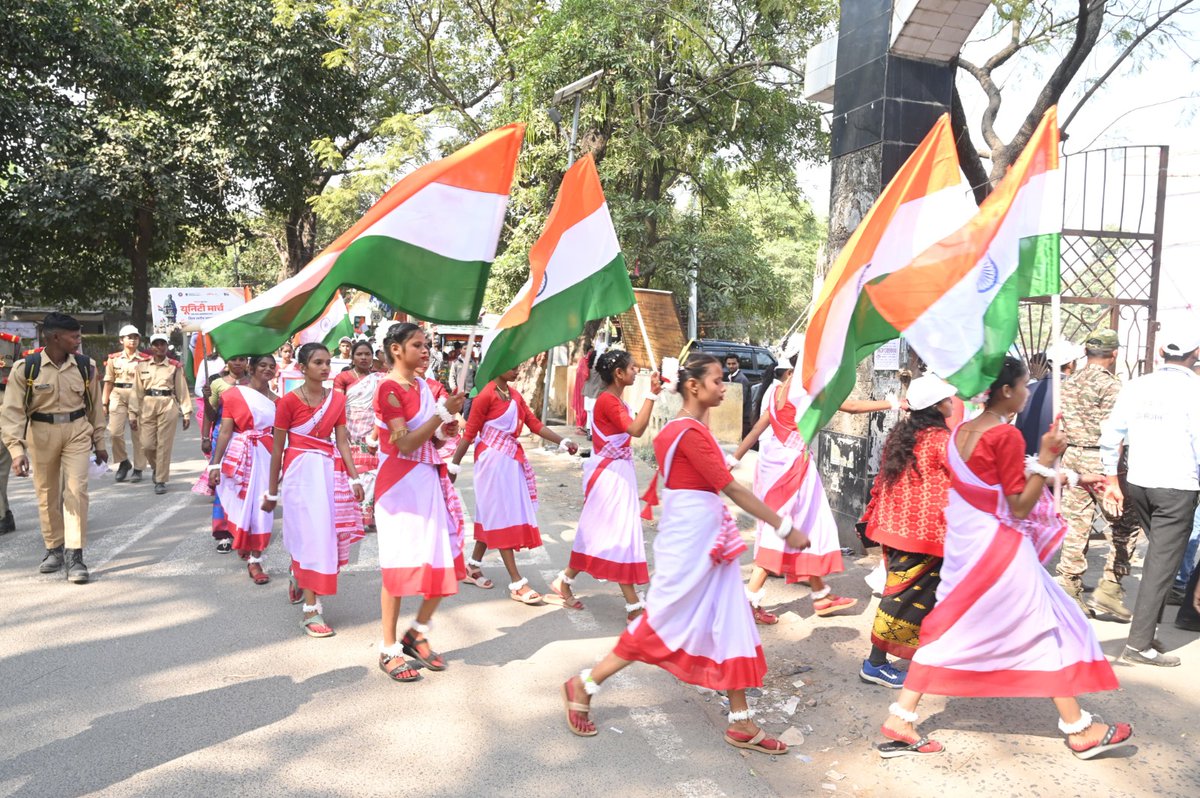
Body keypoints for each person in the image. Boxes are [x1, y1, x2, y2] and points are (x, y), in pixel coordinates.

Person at [559, 353, 811, 754]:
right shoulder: (689, 434)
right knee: (659, 624)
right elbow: (732, 488)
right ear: (693, 386)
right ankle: (585, 684)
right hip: (695, 542)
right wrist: (784, 527)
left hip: (708, 539)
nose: (723, 386)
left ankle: (741, 721)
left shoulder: (681, 429)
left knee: (729, 620)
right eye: (715, 380)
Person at [878, 357, 1127, 760]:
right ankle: (1079, 728)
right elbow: (1019, 506)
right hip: (999, 549)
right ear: (1007, 391)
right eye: (1026, 386)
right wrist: (1048, 457)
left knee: (957, 628)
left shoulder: (960, 430)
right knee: (1039, 624)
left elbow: (994, 481)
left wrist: (1063, 473)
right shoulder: (1004, 436)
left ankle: (902, 716)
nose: (1029, 393)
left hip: (968, 545)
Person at [731, 340, 897, 624]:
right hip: (794, 471)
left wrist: (733, 459)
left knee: (807, 529)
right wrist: (893, 401)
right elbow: (853, 407)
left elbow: (759, 428)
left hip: (776, 469)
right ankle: (750, 599)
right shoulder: (808, 392)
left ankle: (820, 596)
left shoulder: (777, 390)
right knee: (783, 533)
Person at [1100, 325, 1200, 667]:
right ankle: (1139, 644)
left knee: (1160, 559)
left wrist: (1112, 475)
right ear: (1196, 353)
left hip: (1140, 481)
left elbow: (1113, 431)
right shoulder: (1195, 390)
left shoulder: (1138, 385)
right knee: (1162, 564)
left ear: (1161, 353)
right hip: (1177, 485)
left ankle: (1145, 632)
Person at [373, 323, 467, 682]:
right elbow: (406, 443)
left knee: (440, 561)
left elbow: (434, 439)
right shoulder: (389, 388)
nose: (426, 350)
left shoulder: (425, 386)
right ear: (397, 350)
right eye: (417, 344)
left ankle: (417, 632)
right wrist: (441, 414)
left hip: (427, 480)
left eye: (426, 344)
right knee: (398, 565)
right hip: (398, 484)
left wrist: (447, 426)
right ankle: (389, 648)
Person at [858, 375, 956, 688]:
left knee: (912, 596)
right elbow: (965, 476)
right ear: (937, 406)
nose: (952, 402)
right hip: (923, 534)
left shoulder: (904, 434)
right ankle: (875, 664)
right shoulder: (941, 440)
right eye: (948, 399)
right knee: (902, 599)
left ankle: (925, 655)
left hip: (897, 528)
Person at [450, 365, 578, 603]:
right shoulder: (485, 395)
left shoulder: (514, 395)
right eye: (513, 365)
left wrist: (564, 440)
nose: (518, 369)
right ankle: (517, 583)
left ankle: (473, 566)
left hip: (509, 460)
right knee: (501, 516)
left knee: (494, 515)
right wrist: (454, 466)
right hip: (491, 462)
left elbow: (534, 424)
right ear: (498, 363)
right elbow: (469, 434)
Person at [263, 343, 365, 637]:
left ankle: (300, 578)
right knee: (309, 535)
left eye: (328, 362)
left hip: (328, 473)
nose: (324, 368)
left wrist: (355, 478)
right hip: (299, 474)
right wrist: (271, 492)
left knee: (323, 535)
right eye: (318, 362)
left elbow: (342, 441)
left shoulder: (337, 400)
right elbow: (278, 450)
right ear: (302, 367)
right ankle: (311, 611)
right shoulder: (287, 403)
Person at [550, 350, 661, 619]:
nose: (636, 372)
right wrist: (651, 395)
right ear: (618, 374)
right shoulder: (608, 402)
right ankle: (634, 606)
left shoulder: (616, 401)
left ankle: (564, 581)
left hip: (618, 472)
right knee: (618, 534)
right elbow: (635, 430)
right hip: (609, 475)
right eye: (632, 368)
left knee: (598, 532)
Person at [1, 313, 107, 583]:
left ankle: (75, 555)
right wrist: (16, 451)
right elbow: (12, 412)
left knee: (76, 490)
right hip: (40, 433)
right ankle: (54, 549)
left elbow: (95, 408)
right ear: (54, 338)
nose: (78, 340)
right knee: (47, 493)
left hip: (76, 432)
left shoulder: (86, 366)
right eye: (73, 336)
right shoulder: (27, 368)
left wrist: (100, 442)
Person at [1056, 328, 1140, 620]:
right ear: (1114, 354)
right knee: (1125, 524)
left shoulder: (1069, 382)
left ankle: (1068, 586)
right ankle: (1111, 587)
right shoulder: (1112, 386)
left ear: (1086, 353)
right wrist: (1114, 474)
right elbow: (1112, 433)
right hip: (1101, 460)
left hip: (1072, 457)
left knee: (1075, 525)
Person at [209, 355, 278, 584]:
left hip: (266, 457)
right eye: (262, 366)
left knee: (261, 509)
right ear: (252, 368)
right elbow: (226, 431)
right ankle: (244, 545)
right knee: (240, 507)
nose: (268, 369)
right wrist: (215, 464)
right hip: (240, 457)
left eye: (272, 366)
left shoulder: (278, 401)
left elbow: (280, 436)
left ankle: (255, 560)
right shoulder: (234, 395)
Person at [130, 333, 191, 495]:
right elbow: (136, 391)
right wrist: (132, 414)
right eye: (156, 344)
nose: (159, 347)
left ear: (166, 346)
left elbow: (182, 390)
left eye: (162, 344)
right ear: (151, 347)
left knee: (164, 444)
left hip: (167, 403)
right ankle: (158, 468)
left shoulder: (174, 366)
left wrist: (186, 412)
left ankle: (161, 480)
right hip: (148, 404)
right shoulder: (142, 366)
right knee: (147, 444)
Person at [334, 339, 384, 531]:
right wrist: (341, 427)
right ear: (353, 357)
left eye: (367, 354)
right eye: (359, 354)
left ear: (372, 357)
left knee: (373, 472)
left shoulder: (379, 378)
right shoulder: (344, 378)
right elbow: (337, 404)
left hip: (373, 430)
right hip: (349, 429)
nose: (363, 358)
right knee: (354, 471)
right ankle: (351, 514)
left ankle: (368, 517)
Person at [201, 357, 249, 552]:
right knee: (223, 486)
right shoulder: (217, 383)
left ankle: (245, 531)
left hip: (247, 438)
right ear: (227, 362)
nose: (238, 363)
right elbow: (210, 415)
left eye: (242, 360)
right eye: (233, 360)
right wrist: (205, 436)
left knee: (245, 485)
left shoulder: (253, 382)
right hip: (222, 437)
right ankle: (223, 533)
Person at [1016, 340, 1083, 456]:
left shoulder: (1027, 390)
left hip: (1030, 460)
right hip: (1060, 463)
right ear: (1071, 364)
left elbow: (1019, 429)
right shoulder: (1076, 391)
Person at [104, 324, 149, 482]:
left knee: (138, 434)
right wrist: (104, 403)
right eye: (129, 337)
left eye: (136, 337)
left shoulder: (145, 359)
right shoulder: (113, 359)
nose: (133, 340)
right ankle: (123, 462)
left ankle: (138, 468)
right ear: (121, 340)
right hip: (118, 394)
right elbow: (108, 381)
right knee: (114, 432)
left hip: (137, 396)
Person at [724, 353, 753, 438]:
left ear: (738, 364)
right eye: (729, 364)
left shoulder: (741, 379)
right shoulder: (730, 377)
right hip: (735, 417)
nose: (731, 366)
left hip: (742, 418)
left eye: (733, 364)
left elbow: (740, 401)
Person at [572, 345, 592, 434]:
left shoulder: (584, 361)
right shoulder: (584, 361)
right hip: (582, 387)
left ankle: (581, 427)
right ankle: (580, 427)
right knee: (582, 406)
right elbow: (586, 374)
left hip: (583, 387)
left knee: (583, 406)